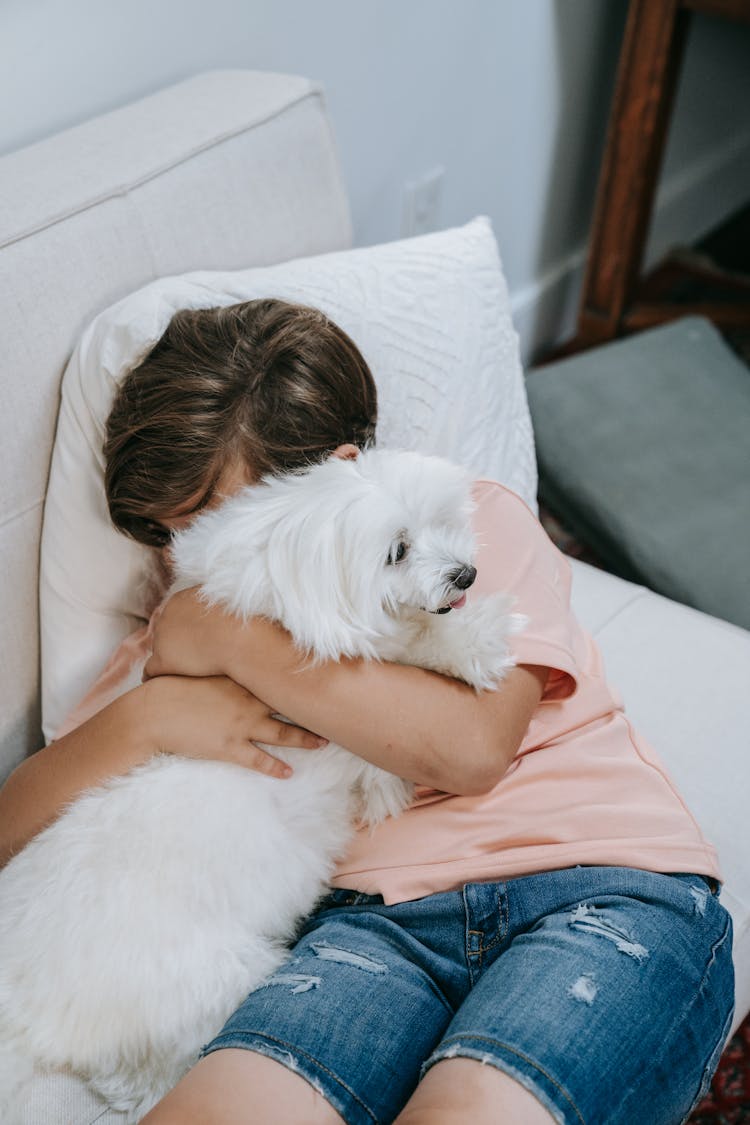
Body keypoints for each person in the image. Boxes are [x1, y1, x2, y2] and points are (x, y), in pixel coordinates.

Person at [0, 299, 734, 1125]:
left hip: (595, 885)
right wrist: (144, 718)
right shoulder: (172, 640)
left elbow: (470, 747)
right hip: (364, 935)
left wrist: (237, 644)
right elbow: (13, 829)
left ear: (340, 479)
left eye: (217, 516)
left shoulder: (463, 521)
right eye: (170, 530)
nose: (189, 556)